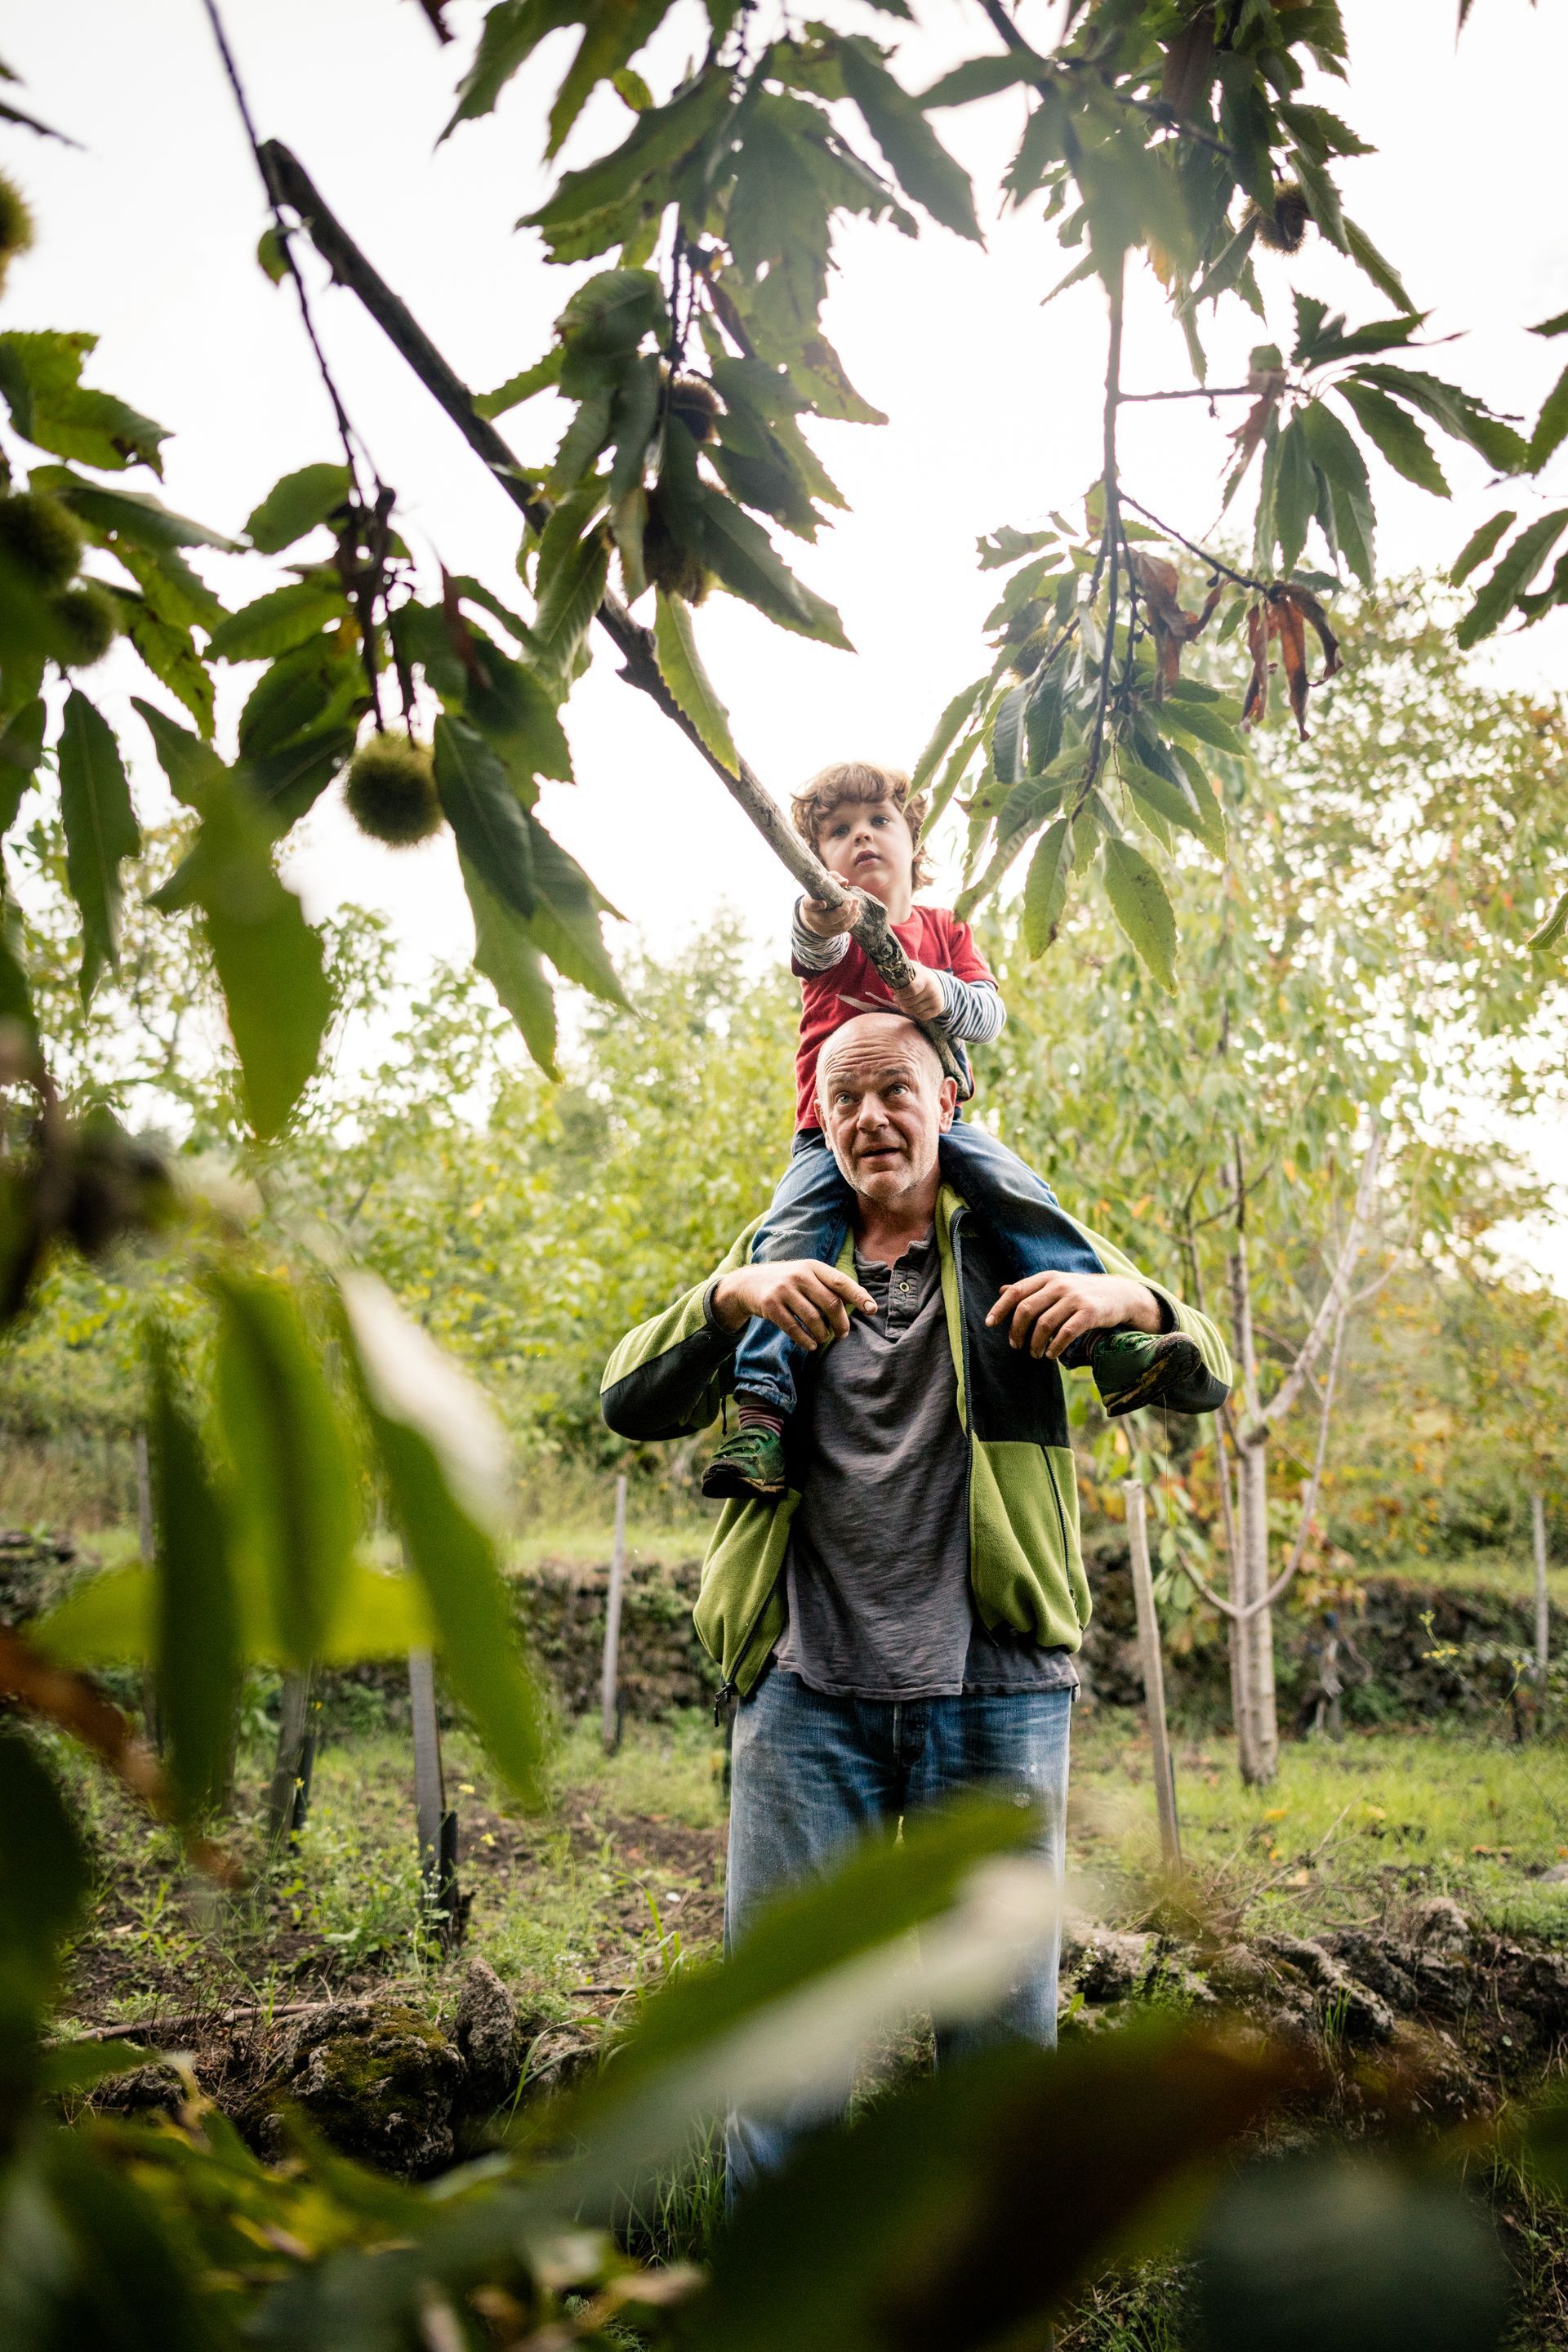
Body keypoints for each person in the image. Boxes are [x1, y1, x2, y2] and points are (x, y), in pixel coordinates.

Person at [600, 1010, 1231, 2201]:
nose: (871, 1118)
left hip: (996, 1694)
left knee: (996, 2057)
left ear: (949, 1100)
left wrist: (1131, 1305)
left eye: (895, 1089)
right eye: (845, 1099)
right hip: (804, 1698)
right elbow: (628, 1398)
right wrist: (730, 1295)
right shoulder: (785, 1249)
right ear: (818, 1119)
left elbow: (1205, 1375)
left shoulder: (1013, 1240)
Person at [700, 760, 1226, 1503]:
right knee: (790, 1245)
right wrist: (822, 914)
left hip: (940, 1132)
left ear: (914, 843)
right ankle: (761, 1412)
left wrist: (933, 989)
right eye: (839, 833)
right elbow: (809, 945)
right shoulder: (831, 924)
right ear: (819, 861)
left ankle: (1107, 1337)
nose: (862, 839)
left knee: (1018, 1193)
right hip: (828, 1138)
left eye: (879, 822)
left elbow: (988, 1014)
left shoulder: (945, 930)